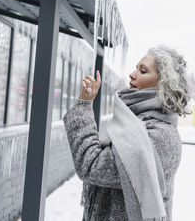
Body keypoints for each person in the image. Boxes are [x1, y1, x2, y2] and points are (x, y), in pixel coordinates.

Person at [63, 45, 191, 221]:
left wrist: (83, 107)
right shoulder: (135, 123)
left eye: (143, 71)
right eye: (136, 67)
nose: (132, 74)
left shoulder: (159, 136)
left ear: (163, 84)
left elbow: (92, 165)